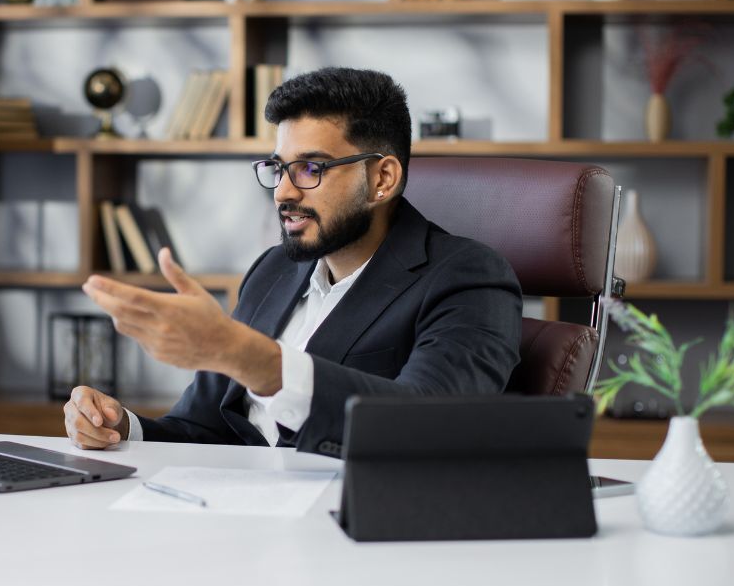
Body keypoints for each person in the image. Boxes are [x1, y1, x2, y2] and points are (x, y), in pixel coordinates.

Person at [65, 67, 522, 456]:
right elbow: (203, 429)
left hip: (353, 533)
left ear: (383, 178)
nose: (284, 191)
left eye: (311, 169)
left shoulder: (469, 277)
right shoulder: (273, 271)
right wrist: (121, 428)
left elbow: (428, 424)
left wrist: (251, 358)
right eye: (279, 167)